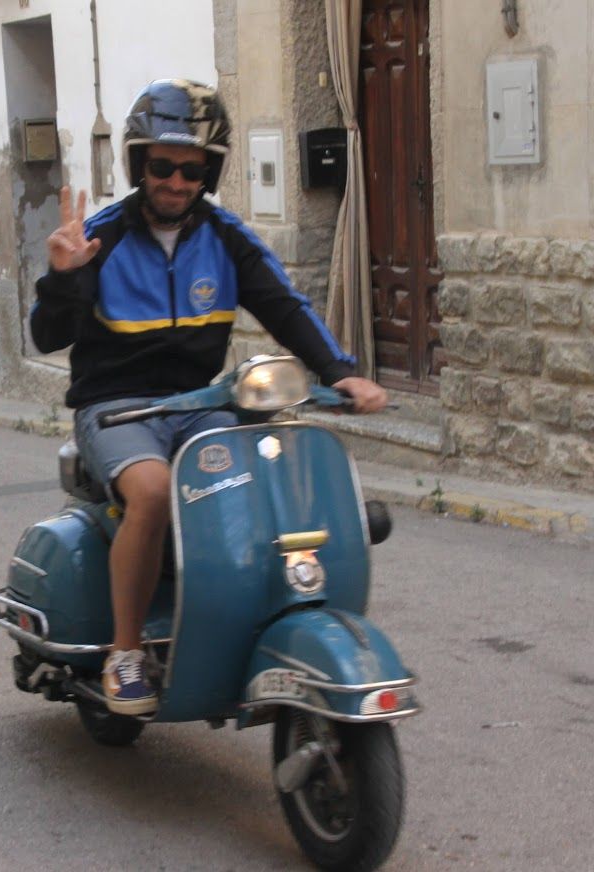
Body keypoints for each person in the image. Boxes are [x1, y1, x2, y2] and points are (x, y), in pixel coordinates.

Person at [30, 80, 388, 716]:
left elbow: (284, 304)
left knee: (265, 473)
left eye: (191, 169)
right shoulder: (101, 238)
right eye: (162, 166)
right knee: (152, 491)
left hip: (201, 401)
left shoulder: (225, 238)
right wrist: (65, 278)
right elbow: (49, 334)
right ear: (140, 166)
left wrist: (341, 371)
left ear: (208, 172)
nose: (175, 180)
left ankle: (248, 616)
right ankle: (126, 653)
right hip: (116, 408)